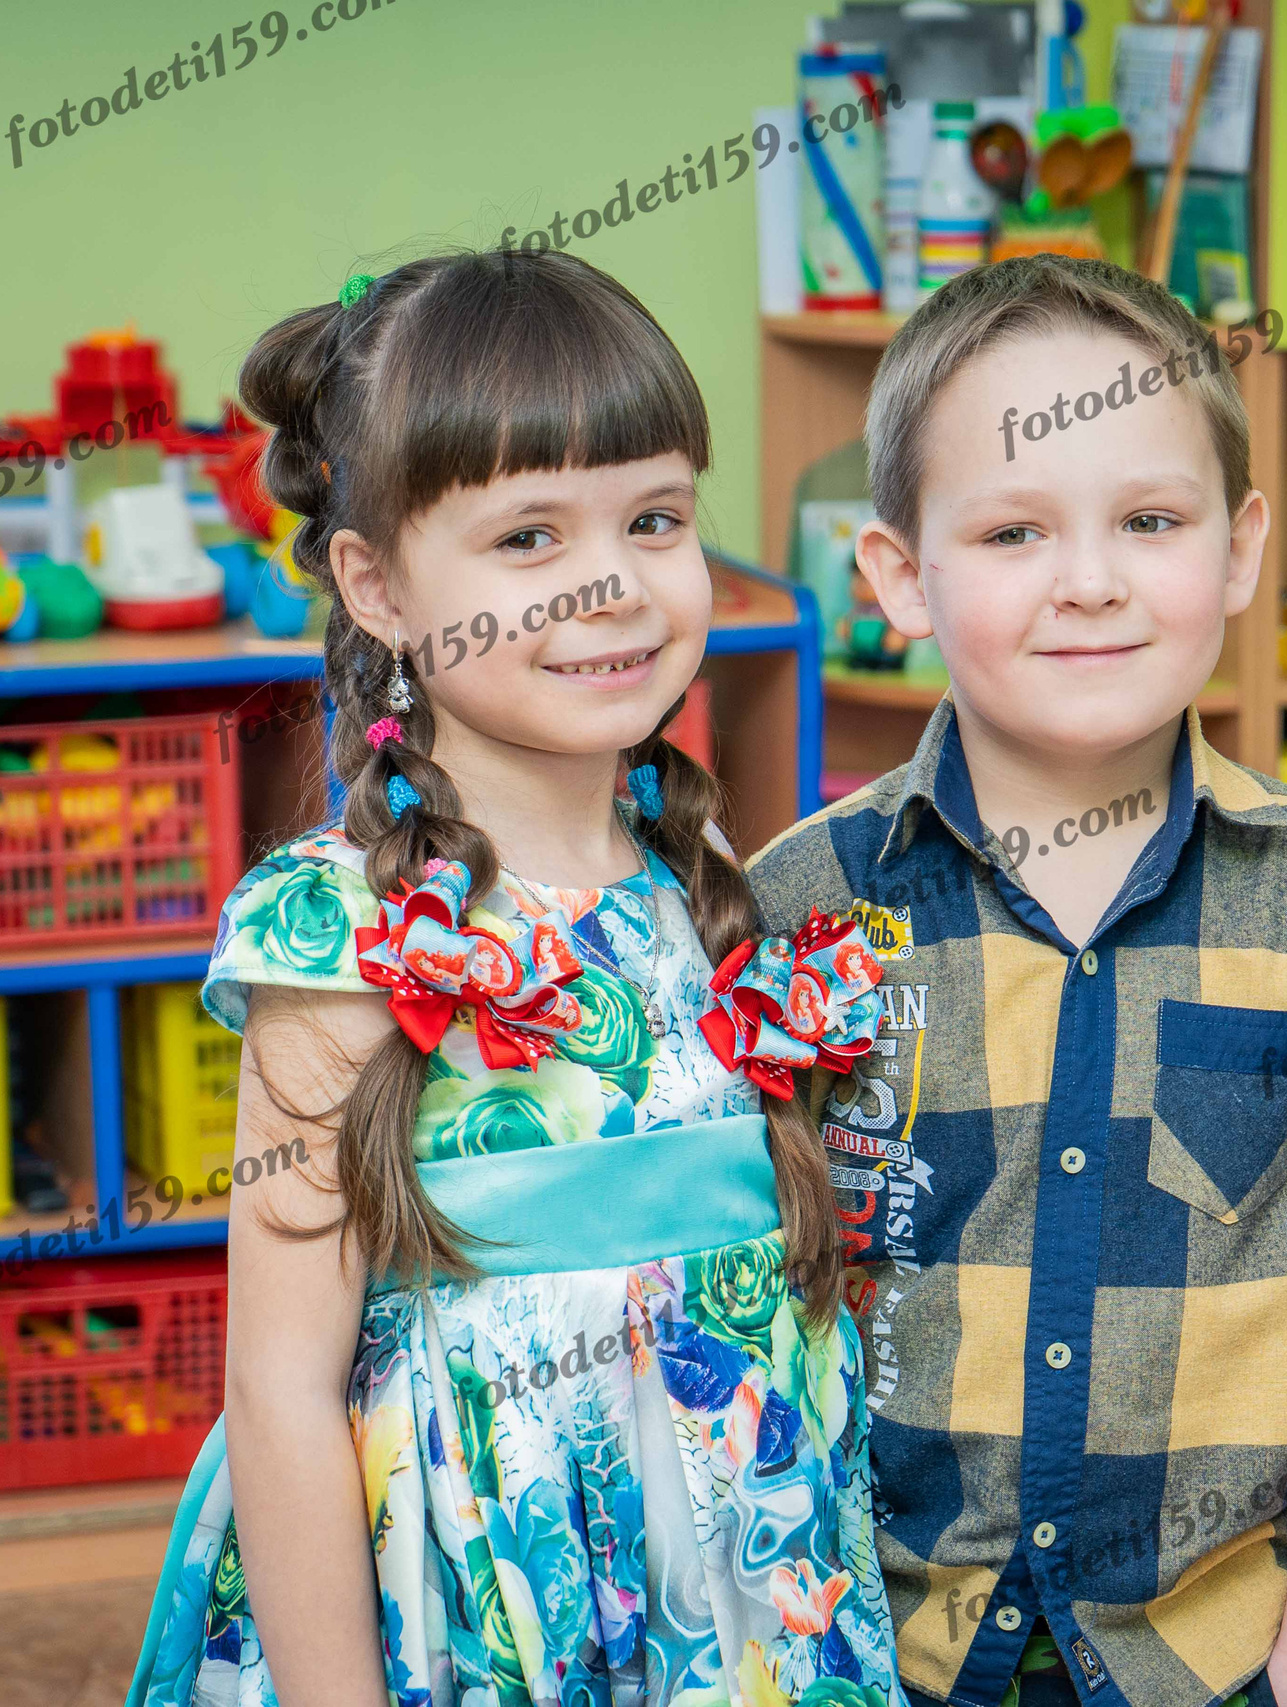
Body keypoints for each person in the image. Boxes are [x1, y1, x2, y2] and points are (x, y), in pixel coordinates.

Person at [129, 249, 904, 1707]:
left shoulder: (702, 876)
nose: (613, 584)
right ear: (376, 584)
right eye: (529, 538)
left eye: (655, 517)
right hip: (482, 1620)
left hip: (747, 1613)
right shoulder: (342, 937)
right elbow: (280, 1394)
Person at [743, 254, 1287, 1707]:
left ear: (1239, 549)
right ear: (898, 577)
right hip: (870, 1649)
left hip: (1217, 1658)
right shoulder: (800, 900)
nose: (1093, 581)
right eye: (1010, 531)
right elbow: (744, 1291)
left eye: (1150, 520)